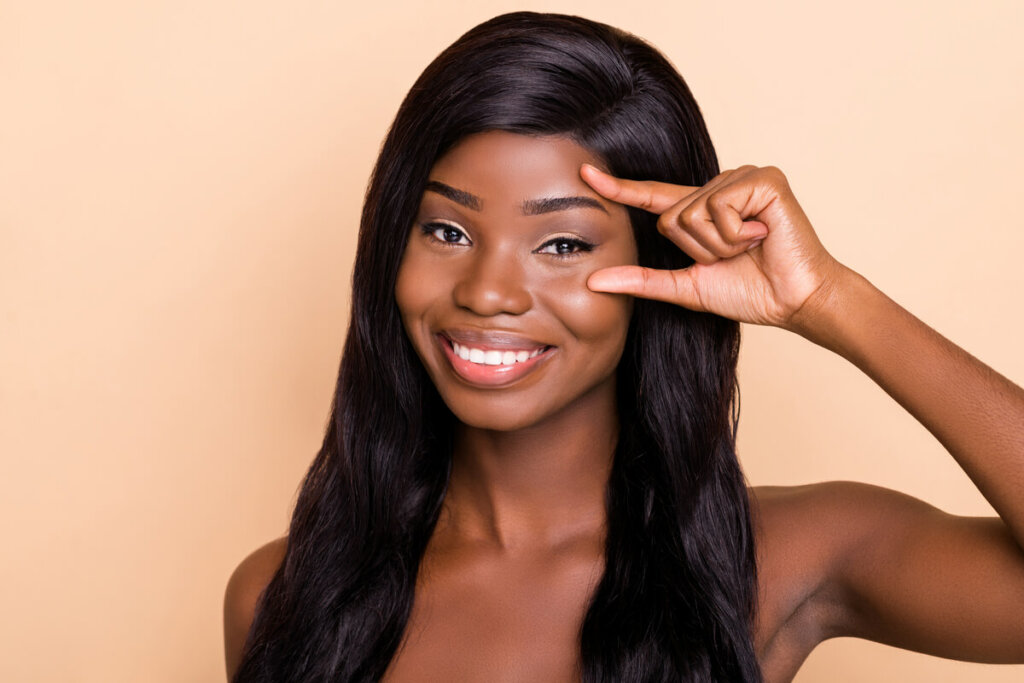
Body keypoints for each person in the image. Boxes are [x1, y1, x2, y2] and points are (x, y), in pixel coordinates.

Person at [222, 11, 1024, 682]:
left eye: (563, 244)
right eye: (447, 229)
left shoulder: (784, 559)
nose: (487, 291)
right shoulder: (281, 597)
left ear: (660, 264)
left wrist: (828, 298)